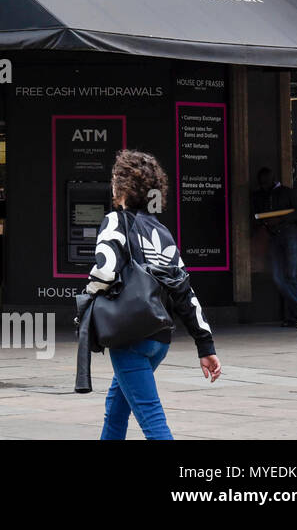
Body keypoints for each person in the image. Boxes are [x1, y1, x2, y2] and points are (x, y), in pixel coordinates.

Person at [86, 149, 222, 440]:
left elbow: (105, 271)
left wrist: (88, 299)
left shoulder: (116, 221)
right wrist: (205, 345)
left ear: (120, 186)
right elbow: (185, 292)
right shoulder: (163, 232)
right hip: (159, 339)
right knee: (117, 408)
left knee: (152, 420)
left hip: (129, 337)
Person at [251, 166, 297, 325]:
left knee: (293, 277)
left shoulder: (287, 192)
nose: (264, 185)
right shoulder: (260, 196)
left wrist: (281, 220)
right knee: (278, 277)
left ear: (273, 179)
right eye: (262, 183)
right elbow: (257, 217)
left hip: (291, 234)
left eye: (266, 181)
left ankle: (294, 317)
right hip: (274, 236)